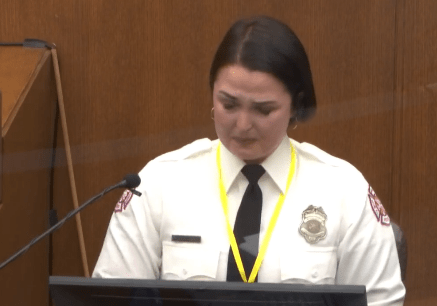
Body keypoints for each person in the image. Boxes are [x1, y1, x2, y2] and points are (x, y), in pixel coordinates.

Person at [92, 15, 406, 305]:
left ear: (296, 105)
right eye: (228, 104)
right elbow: (111, 298)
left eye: (263, 110)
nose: (242, 125)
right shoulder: (159, 185)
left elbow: (381, 302)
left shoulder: (343, 191)